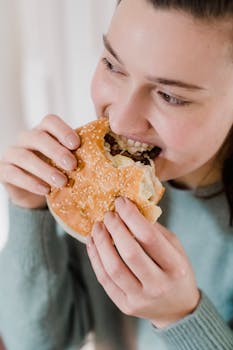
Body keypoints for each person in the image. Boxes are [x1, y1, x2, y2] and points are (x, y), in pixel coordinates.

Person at [0, 0, 233, 349]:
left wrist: (181, 317)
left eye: (169, 96)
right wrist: (29, 211)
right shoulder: (96, 189)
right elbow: (35, 343)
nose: (121, 120)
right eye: (112, 64)